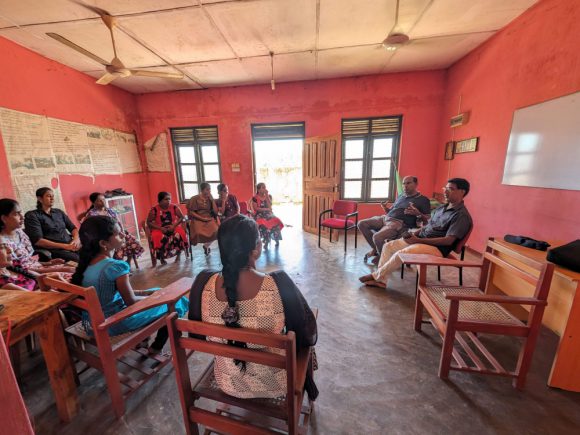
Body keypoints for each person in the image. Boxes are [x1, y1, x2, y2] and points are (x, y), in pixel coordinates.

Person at [188, 214, 318, 400]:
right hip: (276, 383)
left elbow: (197, 336)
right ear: (256, 249)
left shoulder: (203, 283)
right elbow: (306, 335)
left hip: (227, 381)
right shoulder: (278, 285)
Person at [71, 216, 189, 351]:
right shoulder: (116, 266)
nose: (123, 234)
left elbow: (114, 294)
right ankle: (156, 347)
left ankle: (144, 341)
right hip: (114, 323)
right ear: (104, 243)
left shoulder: (86, 264)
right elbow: (131, 302)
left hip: (92, 323)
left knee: (158, 290)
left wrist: (151, 293)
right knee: (176, 301)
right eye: (117, 233)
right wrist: (157, 298)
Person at [359, 178, 473, 288]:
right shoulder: (442, 208)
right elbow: (428, 226)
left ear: (462, 192)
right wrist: (414, 235)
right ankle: (381, 281)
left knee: (402, 253)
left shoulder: (461, 215)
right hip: (420, 239)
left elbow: (448, 241)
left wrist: (418, 240)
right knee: (388, 246)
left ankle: (376, 276)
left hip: (437, 247)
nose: (446, 191)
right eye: (445, 188)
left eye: (451, 189)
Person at [358, 176, 431, 264]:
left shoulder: (423, 200)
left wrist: (418, 213)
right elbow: (391, 211)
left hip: (398, 223)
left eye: (408, 183)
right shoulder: (401, 196)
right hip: (385, 218)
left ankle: (383, 258)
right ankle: (378, 250)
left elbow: (428, 219)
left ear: (416, 184)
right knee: (361, 224)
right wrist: (385, 208)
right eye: (403, 183)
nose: (405, 186)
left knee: (377, 237)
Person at [0, 198, 75, 275]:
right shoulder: (3, 243)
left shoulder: (20, 233)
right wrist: (59, 269)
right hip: (28, 276)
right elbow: (20, 270)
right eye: (16, 214)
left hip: (39, 269)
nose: (22, 217)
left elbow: (28, 261)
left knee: (76, 269)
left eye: (21, 212)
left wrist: (48, 263)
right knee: (73, 274)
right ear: (4, 218)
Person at [81, 192, 144, 267]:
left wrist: (122, 232)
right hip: (106, 238)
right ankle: (120, 266)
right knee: (119, 246)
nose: (103, 202)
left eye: (103, 199)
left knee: (133, 242)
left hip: (118, 232)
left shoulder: (109, 211)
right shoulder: (92, 215)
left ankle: (128, 262)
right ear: (93, 202)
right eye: (99, 200)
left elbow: (119, 222)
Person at [24, 187, 81, 262]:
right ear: (40, 199)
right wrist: (65, 246)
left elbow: (73, 228)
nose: (52, 198)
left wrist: (76, 239)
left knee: (93, 253)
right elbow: (38, 241)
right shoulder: (32, 215)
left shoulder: (59, 212)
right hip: (55, 250)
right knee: (79, 260)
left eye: (53, 196)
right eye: (48, 196)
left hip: (71, 245)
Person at [146, 192, 188, 265]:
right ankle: (162, 258)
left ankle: (178, 255)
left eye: (169, 199)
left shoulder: (174, 207)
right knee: (158, 237)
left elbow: (182, 217)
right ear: (160, 200)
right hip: (159, 228)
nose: (168, 201)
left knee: (179, 234)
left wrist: (174, 225)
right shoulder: (154, 210)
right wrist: (160, 228)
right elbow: (149, 222)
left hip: (172, 226)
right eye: (166, 199)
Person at [187, 183, 219, 256]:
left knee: (217, 231)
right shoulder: (194, 198)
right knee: (198, 233)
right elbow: (191, 212)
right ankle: (204, 245)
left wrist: (212, 200)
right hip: (197, 218)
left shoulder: (210, 199)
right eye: (207, 189)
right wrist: (202, 218)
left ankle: (206, 246)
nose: (209, 191)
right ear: (202, 190)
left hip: (208, 218)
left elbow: (216, 212)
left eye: (210, 189)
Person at [251, 183, 284, 247]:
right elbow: (256, 208)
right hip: (259, 214)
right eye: (263, 187)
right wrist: (266, 209)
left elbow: (270, 206)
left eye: (265, 187)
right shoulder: (255, 198)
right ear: (258, 189)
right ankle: (266, 241)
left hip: (268, 213)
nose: (265, 189)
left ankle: (276, 239)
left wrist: (266, 195)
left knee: (275, 220)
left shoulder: (268, 196)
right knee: (263, 223)